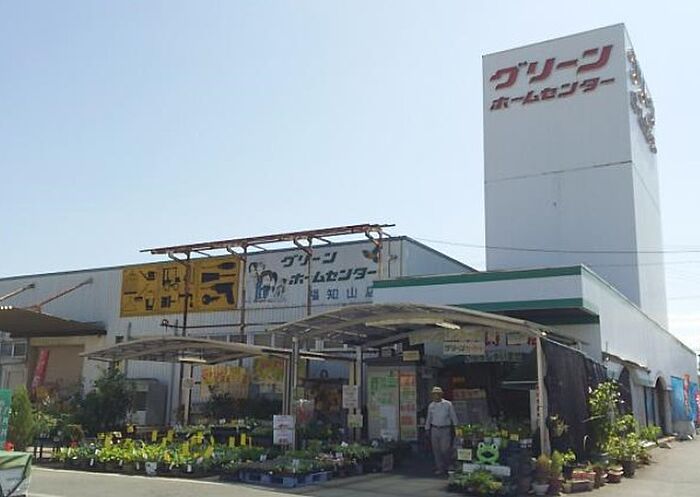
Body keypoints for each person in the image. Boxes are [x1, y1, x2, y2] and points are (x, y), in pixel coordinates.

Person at [425, 386, 459, 475]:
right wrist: (427, 428)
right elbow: (429, 418)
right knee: (436, 450)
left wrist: (456, 427)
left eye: (437, 394)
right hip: (434, 429)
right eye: (434, 394)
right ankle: (440, 468)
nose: (436, 396)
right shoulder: (431, 405)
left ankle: (449, 465)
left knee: (445, 449)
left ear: (441, 395)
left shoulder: (448, 404)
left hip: (445, 429)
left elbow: (453, 416)